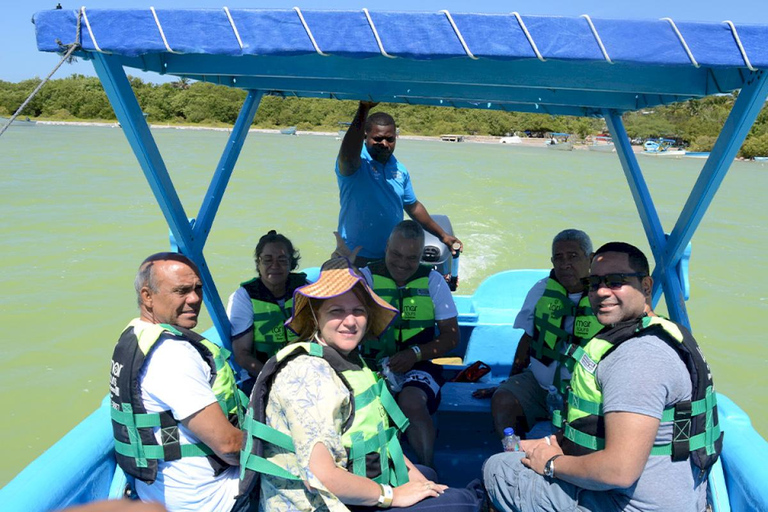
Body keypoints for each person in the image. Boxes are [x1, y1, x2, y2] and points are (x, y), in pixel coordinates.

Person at [483, 242, 722, 512]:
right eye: (594, 283)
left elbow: (619, 471)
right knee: (515, 452)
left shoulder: (638, 358)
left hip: (632, 504)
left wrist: (551, 463)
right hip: (666, 494)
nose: (601, 292)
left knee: (498, 469)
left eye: (616, 281)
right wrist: (552, 444)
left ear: (646, 286)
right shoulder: (655, 334)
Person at [238, 258, 483, 511]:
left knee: (429, 477)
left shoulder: (351, 361)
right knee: (463, 503)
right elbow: (321, 477)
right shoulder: (308, 375)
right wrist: (392, 496)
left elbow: (378, 441)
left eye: (358, 310)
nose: (350, 321)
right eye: (336, 311)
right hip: (318, 503)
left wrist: (418, 482)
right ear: (315, 315)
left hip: (356, 483)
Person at [109, 252, 245, 512]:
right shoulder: (172, 355)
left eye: (198, 289)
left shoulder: (135, 334)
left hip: (155, 491)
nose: (194, 299)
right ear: (148, 296)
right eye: (181, 291)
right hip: (208, 499)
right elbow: (229, 446)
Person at [355, 220, 459, 468]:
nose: (402, 263)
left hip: (419, 366)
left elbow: (451, 337)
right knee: (375, 402)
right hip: (372, 365)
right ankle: (373, 471)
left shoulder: (433, 282)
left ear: (422, 256)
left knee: (411, 401)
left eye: (411, 258)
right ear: (386, 247)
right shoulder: (365, 279)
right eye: (396, 254)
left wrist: (415, 353)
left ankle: (428, 468)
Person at [490, 229, 602, 438]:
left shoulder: (604, 297)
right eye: (558, 258)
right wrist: (509, 380)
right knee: (503, 399)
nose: (565, 264)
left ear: (591, 258)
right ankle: (513, 457)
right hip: (541, 386)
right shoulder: (541, 290)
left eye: (573, 256)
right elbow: (528, 338)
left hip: (584, 391)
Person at [336, 101, 462, 266]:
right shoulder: (354, 164)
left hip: (390, 257)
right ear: (365, 136)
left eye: (390, 139)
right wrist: (363, 109)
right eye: (378, 138)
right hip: (354, 256)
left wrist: (442, 235)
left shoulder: (400, 169)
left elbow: (413, 207)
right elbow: (347, 155)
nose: (385, 144)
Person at [226, 230, 308, 391]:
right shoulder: (244, 297)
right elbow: (242, 354)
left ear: (291, 263)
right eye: (267, 260)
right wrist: (273, 378)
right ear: (258, 263)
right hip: (261, 373)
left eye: (282, 260)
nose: (275, 266)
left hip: (304, 367)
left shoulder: (304, 288)